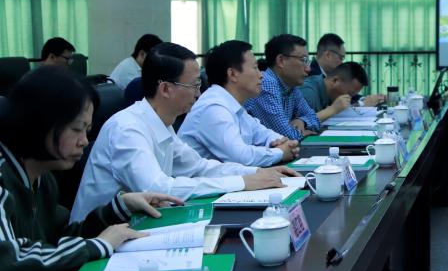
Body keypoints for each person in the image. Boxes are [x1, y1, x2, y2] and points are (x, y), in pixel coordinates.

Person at [0, 67, 182, 271]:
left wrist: (119, 207)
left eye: (87, 131)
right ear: (39, 123)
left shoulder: (43, 178)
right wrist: (98, 245)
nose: (84, 141)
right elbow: (9, 261)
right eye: (76, 129)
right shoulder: (3, 180)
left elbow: (61, 239)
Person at [71, 43, 295, 221]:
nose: (198, 94)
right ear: (166, 89)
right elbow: (158, 189)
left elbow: (199, 167)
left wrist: (256, 173)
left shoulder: (162, 123)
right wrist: (242, 182)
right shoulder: (127, 128)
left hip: (134, 226)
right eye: (194, 85)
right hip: (93, 241)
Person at [178, 40, 300, 166]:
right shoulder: (213, 108)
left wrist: (281, 142)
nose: (261, 75)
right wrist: (280, 152)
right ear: (232, 74)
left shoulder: (233, 105)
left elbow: (262, 133)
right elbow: (241, 158)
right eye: (255, 68)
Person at [246, 35, 322, 140]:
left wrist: (302, 121)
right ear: (281, 61)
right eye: (303, 60)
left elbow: (315, 119)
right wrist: (302, 133)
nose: (308, 68)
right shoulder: (266, 84)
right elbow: (285, 136)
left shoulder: (291, 86)